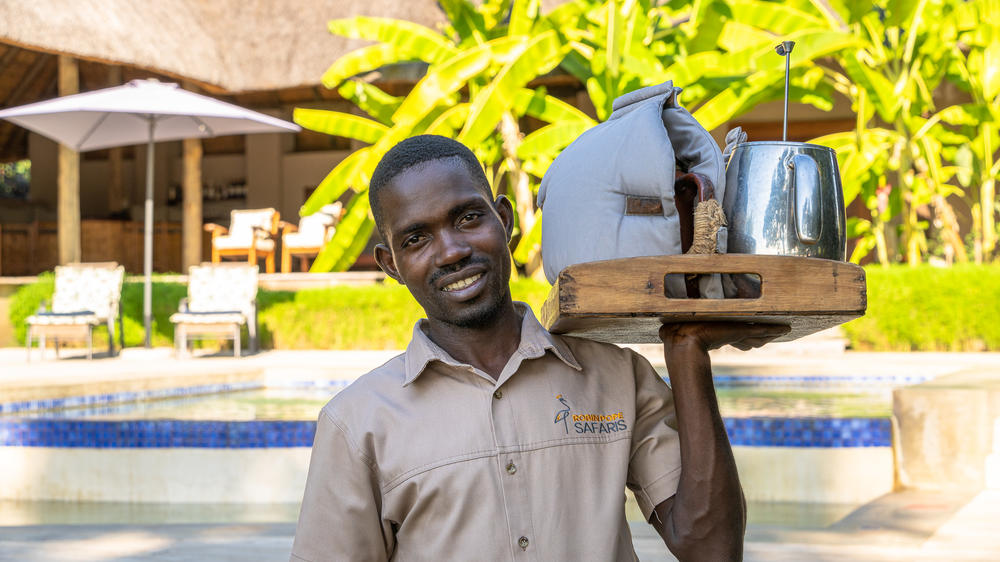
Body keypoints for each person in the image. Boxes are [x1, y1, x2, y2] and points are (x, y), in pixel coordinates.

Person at [290, 135, 787, 561]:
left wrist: (686, 347)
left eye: (468, 218)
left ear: (504, 219)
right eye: (417, 239)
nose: (452, 250)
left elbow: (712, 549)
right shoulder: (357, 424)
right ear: (391, 264)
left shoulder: (618, 377)